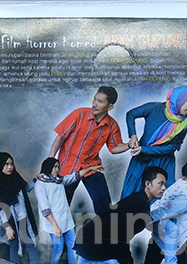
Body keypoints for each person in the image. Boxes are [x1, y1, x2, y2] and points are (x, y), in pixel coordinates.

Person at [72, 166, 167, 264]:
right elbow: (120, 233)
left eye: (164, 184)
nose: (163, 188)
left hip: (86, 241)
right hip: (96, 245)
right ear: (148, 184)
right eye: (160, 183)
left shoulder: (140, 201)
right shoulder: (138, 203)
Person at [49, 86, 129, 215]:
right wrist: (50, 161)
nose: (94, 104)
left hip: (91, 166)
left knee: (104, 203)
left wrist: (129, 145)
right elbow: (60, 137)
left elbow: (114, 148)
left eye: (100, 101)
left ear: (110, 107)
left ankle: (105, 228)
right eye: (95, 99)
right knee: (61, 204)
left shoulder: (112, 125)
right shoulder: (79, 114)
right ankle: (58, 228)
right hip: (68, 165)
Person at [120, 85, 187, 199]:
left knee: (163, 197)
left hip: (163, 162)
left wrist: (144, 149)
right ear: (180, 100)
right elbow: (131, 114)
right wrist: (133, 136)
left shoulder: (184, 123)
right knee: (132, 194)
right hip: (142, 159)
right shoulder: (155, 108)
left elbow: (171, 148)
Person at [34, 157, 104, 264]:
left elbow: (75, 176)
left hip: (66, 222)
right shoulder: (40, 184)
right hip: (53, 224)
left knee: (73, 247)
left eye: (58, 167)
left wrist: (90, 168)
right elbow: (44, 208)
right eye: (55, 167)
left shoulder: (60, 180)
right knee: (58, 248)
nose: (57, 169)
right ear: (48, 167)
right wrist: (55, 227)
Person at [0, 152, 39, 264]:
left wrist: (36, 179)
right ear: (0, 165)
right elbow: (0, 208)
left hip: (22, 214)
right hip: (8, 217)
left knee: (30, 242)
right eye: (6, 164)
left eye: (11, 164)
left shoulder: (15, 177)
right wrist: (7, 227)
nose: (10, 167)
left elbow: (26, 188)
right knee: (14, 244)